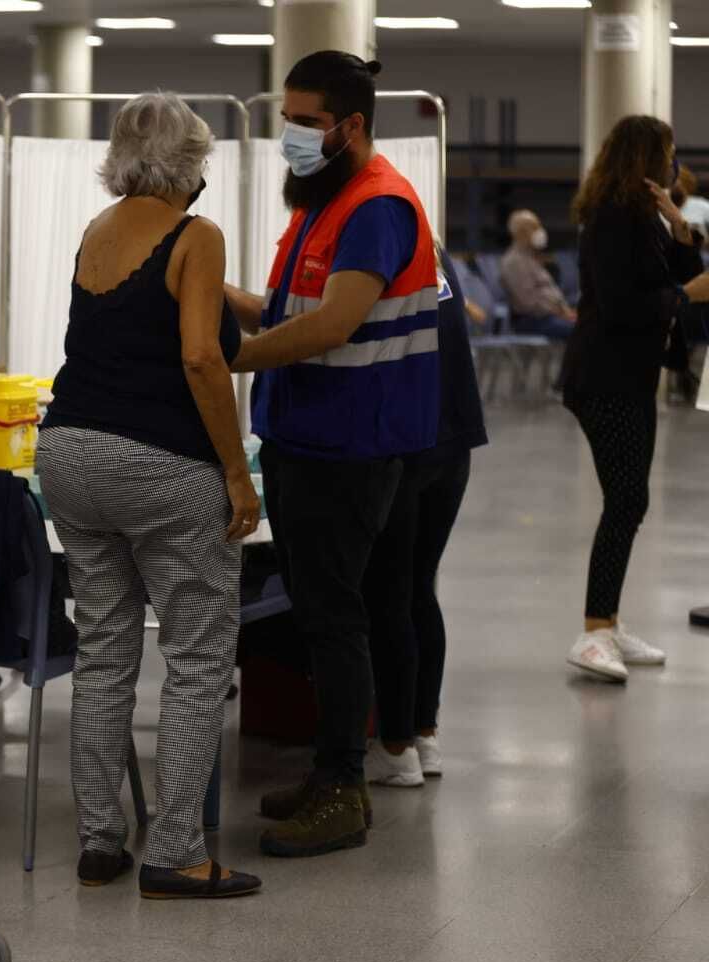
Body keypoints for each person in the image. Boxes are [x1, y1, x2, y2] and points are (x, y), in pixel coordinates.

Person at [34, 94, 261, 900]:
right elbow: (202, 358)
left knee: (105, 652)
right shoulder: (197, 234)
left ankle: (101, 839)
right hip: (159, 465)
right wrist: (236, 470)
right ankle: (176, 849)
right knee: (198, 657)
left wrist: (234, 302)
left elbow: (140, 319)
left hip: (67, 453)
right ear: (191, 164)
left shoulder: (99, 230)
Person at [224, 52, 439, 858]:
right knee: (320, 613)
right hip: (307, 436)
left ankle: (344, 786)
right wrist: (211, 291)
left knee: (335, 616)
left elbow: (332, 325)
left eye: (305, 122)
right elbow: (284, 309)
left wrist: (229, 363)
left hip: (350, 446)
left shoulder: (377, 205)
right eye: (288, 119)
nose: (290, 136)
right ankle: (329, 771)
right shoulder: (323, 204)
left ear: (350, 125)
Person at [562, 116, 709, 681]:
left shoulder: (645, 216)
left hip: (632, 375)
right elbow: (626, 304)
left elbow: (690, 277)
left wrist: (678, 223)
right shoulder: (610, 219)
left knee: (630, 501)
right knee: (625, 500)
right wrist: (680, 296)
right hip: (603, 376)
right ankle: (594, 631)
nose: (675, 164)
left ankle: (608, 619)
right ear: (647, 158)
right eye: (669, 154)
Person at [362, 240, 488, 787]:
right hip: (451, 445)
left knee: (390, 593)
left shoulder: (377, 249)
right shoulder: (431, 251)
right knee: (418, 589)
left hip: (406, 446)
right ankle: (424, 735)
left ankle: (395, 747)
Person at [501, 209, 577, 340]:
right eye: (534, 227)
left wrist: (566, 311)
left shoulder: (531, 258)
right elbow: (529, 303)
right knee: (580, 331)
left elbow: (550, 292)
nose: (539, 231)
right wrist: (560, 313)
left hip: (550, 317)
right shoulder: (513, 262)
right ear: (521, 232)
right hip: (532, 321)